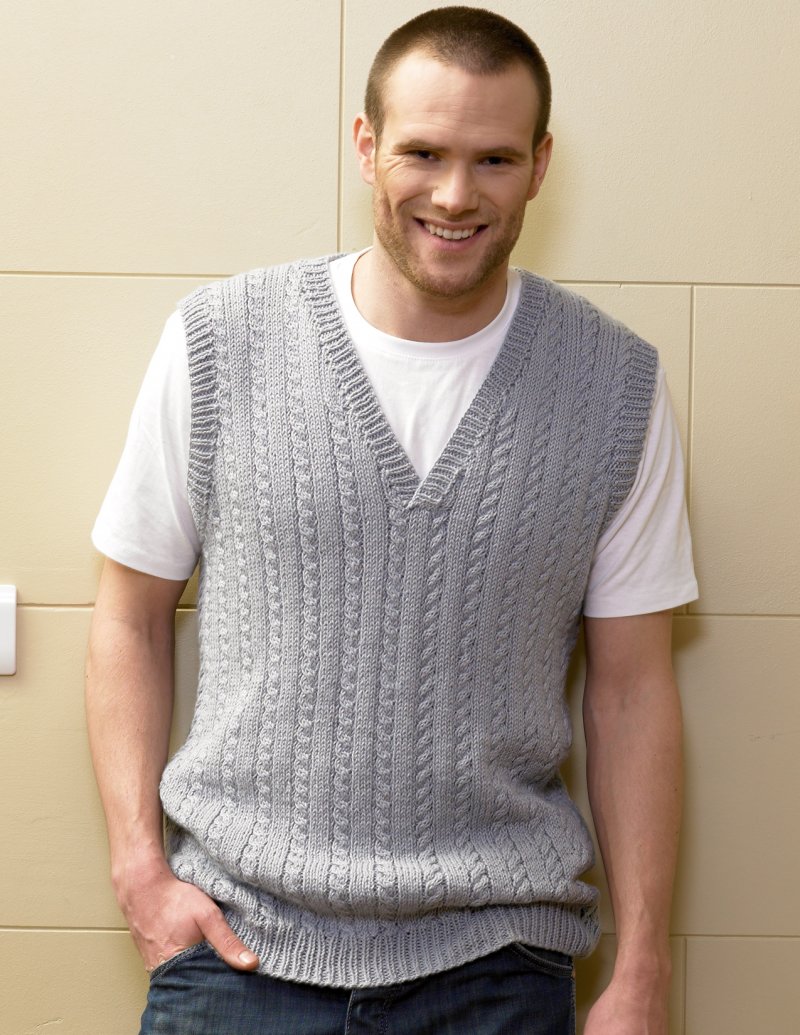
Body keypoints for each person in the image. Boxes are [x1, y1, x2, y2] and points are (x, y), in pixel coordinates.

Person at [86, 7, 697, 1034]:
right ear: (366, 147)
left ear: (540, 166)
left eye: (494, 158)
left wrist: (640, 970)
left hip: (497, 967)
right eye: (423, 153)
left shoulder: (615, 384)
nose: (455, 195)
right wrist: (139, 869)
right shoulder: (221, 341)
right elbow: (127, 615)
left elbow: (633, 691)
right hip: (237, 957)